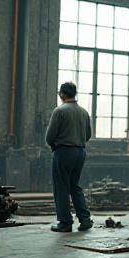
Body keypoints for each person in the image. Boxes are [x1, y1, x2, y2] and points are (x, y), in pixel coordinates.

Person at [45, 82, 94, 233]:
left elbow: (50, 136)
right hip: (79, 152)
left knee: (61, 187)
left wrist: (55, 146)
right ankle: (85, 219)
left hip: (64, 151)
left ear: (62, 94)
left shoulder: (59, 111)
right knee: (74, 185)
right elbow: (88, 135)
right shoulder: (84, 112)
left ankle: (65, 222)